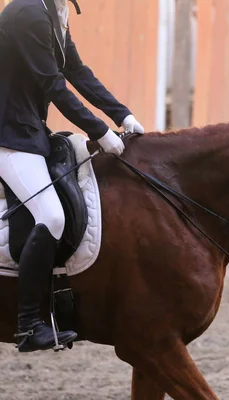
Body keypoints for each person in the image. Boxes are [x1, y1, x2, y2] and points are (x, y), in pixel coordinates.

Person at [0, 0, 144, 352]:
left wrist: (122, 116)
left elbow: (77, 71)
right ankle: (29, 326)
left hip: (28, 131)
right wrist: (99, 131)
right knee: (51, 215)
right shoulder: (29, 13)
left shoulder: (53, 10)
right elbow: (53, 84)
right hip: (7, 134)